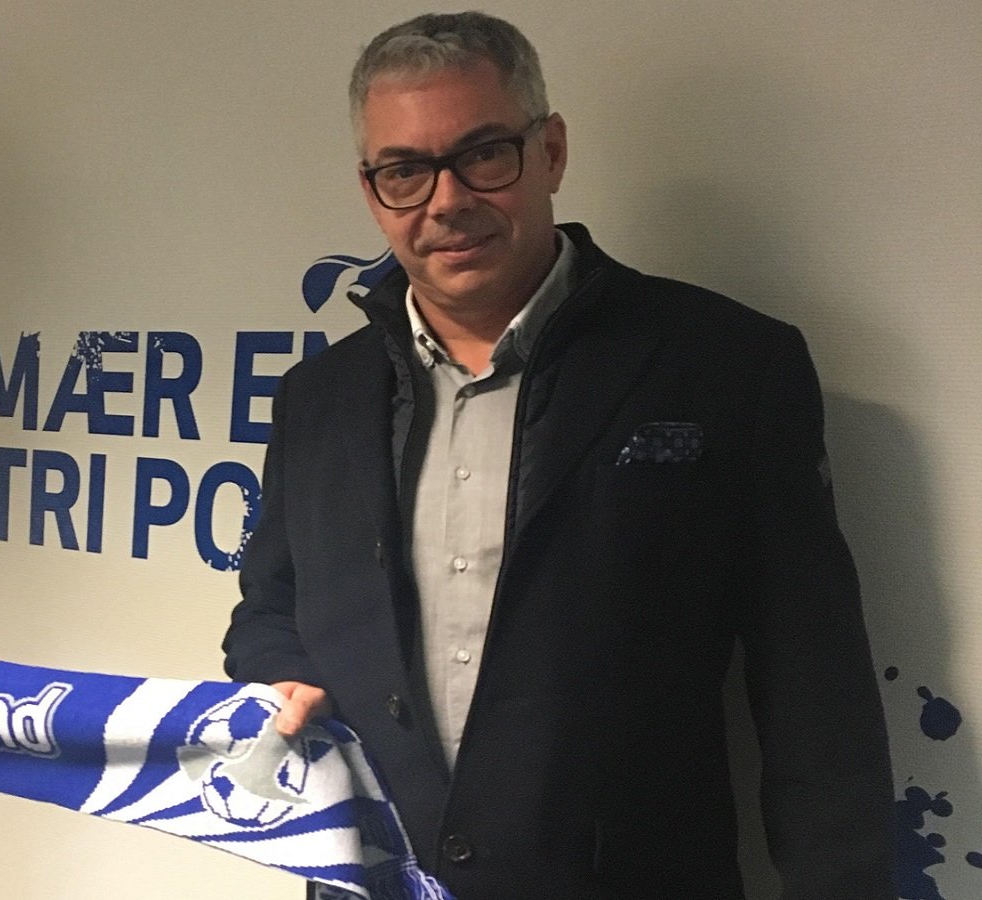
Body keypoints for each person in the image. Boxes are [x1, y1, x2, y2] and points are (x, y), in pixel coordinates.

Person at [222, 12, 894, 898]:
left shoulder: (728, 365)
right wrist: (285, 674)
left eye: (483, 154)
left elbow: (814, 687)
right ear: (372, 189)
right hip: (372, 878)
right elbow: (270, 606)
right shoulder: (317, 398)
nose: (446, 200)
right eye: (405, 171)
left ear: (551, 151)